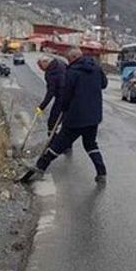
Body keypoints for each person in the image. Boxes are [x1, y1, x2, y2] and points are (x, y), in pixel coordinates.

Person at [22, 48, 108, 184]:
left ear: (73, 58)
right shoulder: (96, 68)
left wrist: (63, 108)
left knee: (58, 144)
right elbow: (104, 84)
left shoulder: (72, 72)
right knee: (91, 145)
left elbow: (66, 95)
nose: (68, 62)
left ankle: (40, 167)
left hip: (76, 117)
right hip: (94, 116)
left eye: (69, 59)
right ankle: (101, 172)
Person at [35, 56, 68, 140]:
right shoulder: (61, 62)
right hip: (71, 97)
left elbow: (50, 93)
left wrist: (41, 107)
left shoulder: (50, 74)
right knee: (65, 121)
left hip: (61, 99)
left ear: (45, 63)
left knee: (52, 123)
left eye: (41, 67)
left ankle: (53, 142)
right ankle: (65, 144)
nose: (42, 69)